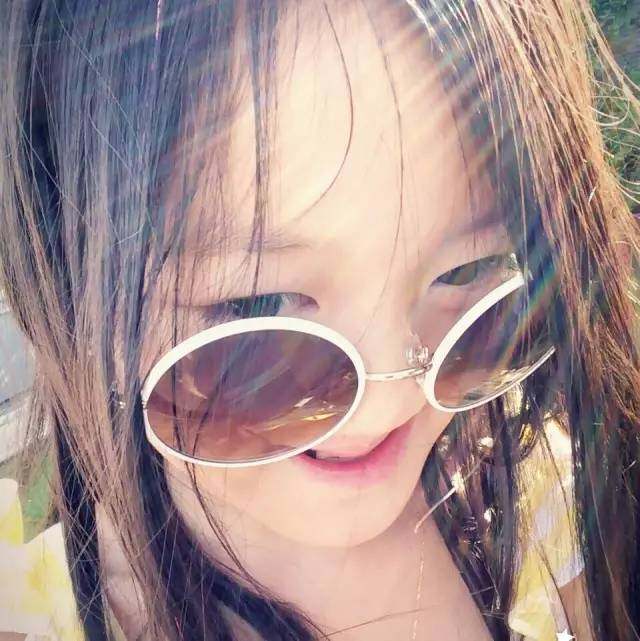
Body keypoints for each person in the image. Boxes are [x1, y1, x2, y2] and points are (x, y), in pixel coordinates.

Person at [0, 0, 638, 640]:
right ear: (62, 282)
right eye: (257, 306)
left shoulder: (544, 497)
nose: (390, 400)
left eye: (466, 272)